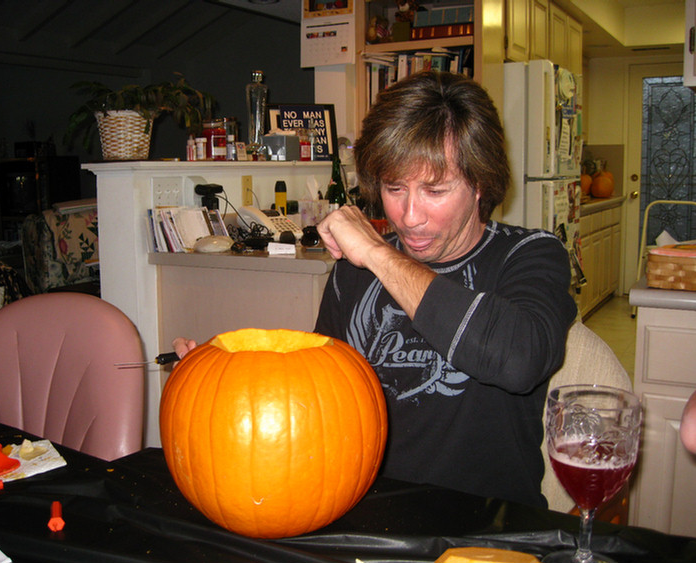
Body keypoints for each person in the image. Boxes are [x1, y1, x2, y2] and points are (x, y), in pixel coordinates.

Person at [174, 70, 576, 508]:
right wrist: (217, 390)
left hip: (485, 529)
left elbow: (518, 360)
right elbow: (317, 400)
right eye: (394, 187)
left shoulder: (531, 255)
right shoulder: (354, 271)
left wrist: (378, 254)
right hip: (364, 516)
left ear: (480, 182)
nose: (409, 216)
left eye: (435, 190)